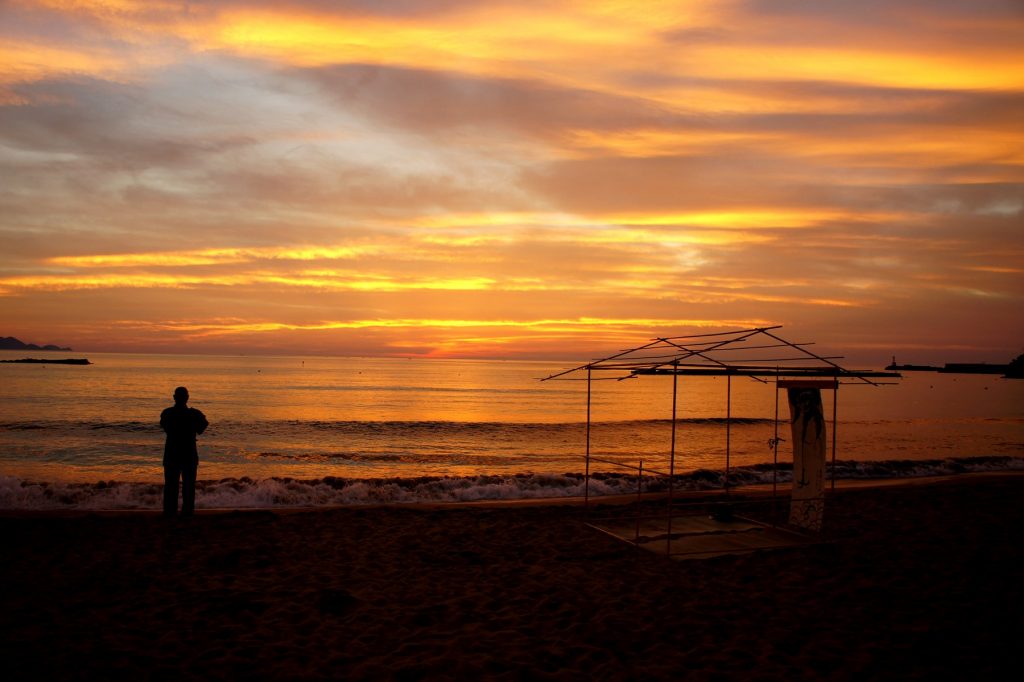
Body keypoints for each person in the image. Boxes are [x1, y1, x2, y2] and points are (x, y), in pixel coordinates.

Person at [160, 386, 208, 517]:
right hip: (188, 454)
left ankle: (170, 513)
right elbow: (202, 428)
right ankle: (187, 513)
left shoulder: (167, 413)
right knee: (188, 487)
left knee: (171, 486)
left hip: (172, 454)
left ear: (174, 397)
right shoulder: (194, 414)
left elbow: (166, 427)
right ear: (187, 398)